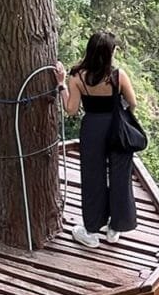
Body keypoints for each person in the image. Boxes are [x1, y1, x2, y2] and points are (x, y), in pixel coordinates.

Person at [55, 31, 138, 248]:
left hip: (92, 129)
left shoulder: (77, 77)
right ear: (110, 53)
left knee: (93, 178)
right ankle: (115, 228)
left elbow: (71, 110)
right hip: (116, 129)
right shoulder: (118, 76)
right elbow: (132, 102)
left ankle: (91, 231)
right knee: (120, 176)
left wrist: (61, 84)